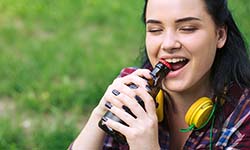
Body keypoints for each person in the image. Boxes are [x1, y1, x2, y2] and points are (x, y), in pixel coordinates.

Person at [69, 0, 250, 149]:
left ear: (219, 35)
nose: (168, 44)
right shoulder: (132, 87)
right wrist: (99, 114)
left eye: (187, 28)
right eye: (155, 30)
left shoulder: (244, 117)